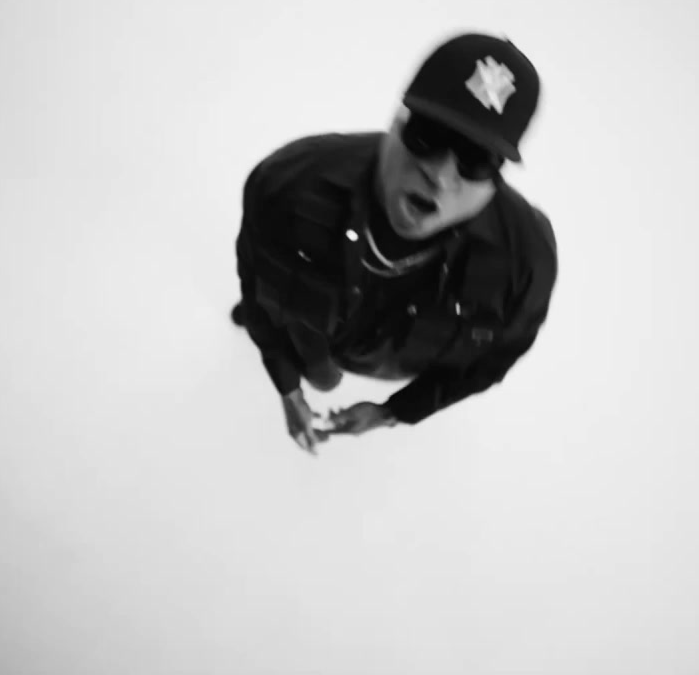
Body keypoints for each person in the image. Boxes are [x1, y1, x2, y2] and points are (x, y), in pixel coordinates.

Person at [232, 31, 558, 455]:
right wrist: (287, 383)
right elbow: (255, 283)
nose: (440, 176)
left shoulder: (524, 263)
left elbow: (493, 360)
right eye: (428, 135)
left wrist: (394, 411)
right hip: (311, 340)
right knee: (313, 367)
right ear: (396, 123)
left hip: (392, 362)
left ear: (496, 179)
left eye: (476, 161)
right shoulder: (290, 185)